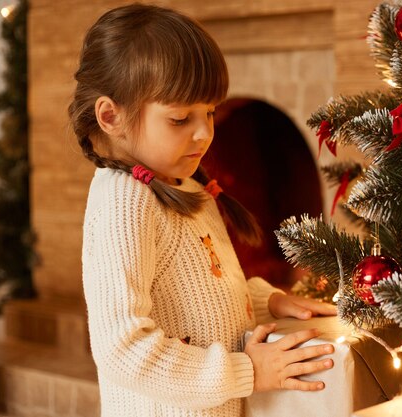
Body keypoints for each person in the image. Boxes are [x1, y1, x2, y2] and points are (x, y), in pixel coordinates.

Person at [69, 4, 337, 417]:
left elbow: (198, 292)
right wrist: (246, 370)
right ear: (110, 116)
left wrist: (268, 301)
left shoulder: (182, 185)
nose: (204, 133)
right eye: (180, 118)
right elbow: (122, 348)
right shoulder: (124, 201)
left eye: (210, 112)